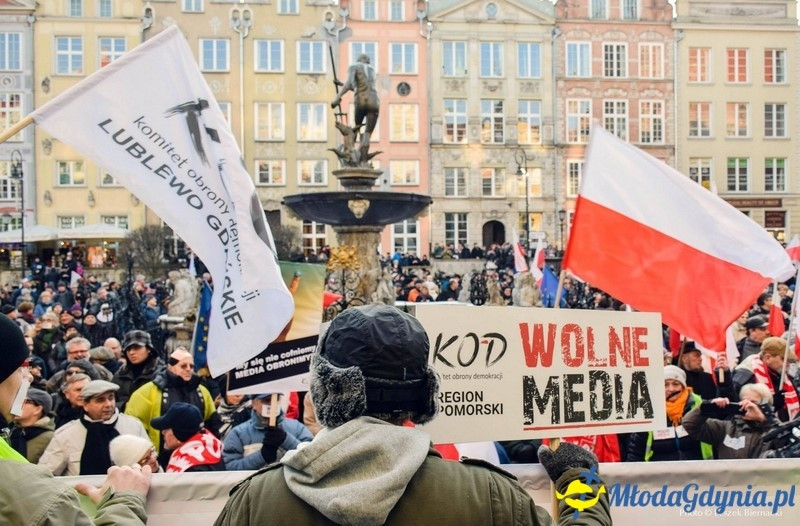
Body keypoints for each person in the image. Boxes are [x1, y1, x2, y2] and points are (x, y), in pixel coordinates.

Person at [214, 305, 610, 525]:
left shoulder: (257, 501)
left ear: (323, 390)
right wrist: (579, 480)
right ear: (426, 393)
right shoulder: (484, 495)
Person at [0, 313, 151, 525]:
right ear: (83, 402)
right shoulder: (31, 486)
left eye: (110, 398)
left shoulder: (131, 425)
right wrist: (125, 501)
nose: (30, 376)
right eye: (21, 366)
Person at [38, 380, 150, 476]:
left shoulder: (133, 426)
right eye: (100, 400)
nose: (108, 404)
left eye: (111, 398)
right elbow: (46, 474)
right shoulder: (66, 434)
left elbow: (152, 464)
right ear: (85, 405)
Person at [125, 348, 221, 455]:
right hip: (158, 459)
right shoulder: (146, 393)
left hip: (196, 457)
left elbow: (213, 426)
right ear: (171, 367)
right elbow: (132, 429)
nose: (188, 369)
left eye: (191, 366)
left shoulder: (203, 392)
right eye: (183, 366)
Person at [626, 365, 712, 462]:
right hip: (660, 475)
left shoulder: (699, 406)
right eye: (665, 385)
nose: (671, 389)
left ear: (683, 386)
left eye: (676, 384)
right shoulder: (647, 411)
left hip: (698, 473)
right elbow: (636, 451)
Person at [683, 384, 780, 459]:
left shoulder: (774, 428)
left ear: (765, 406)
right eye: (744, 401)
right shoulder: (726, 428)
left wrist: (763, 419)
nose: (747, 405)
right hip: (731, 483)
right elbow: (689, 424)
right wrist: (707, 406)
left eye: (753, 402)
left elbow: (786, 443)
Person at [222, 392, 313, 470]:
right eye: (266, 400)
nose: (272, 405)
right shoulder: (238, 433)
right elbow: (230, 468)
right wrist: (261, 456)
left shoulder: (297, 427)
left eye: (276, 399)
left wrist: (286, 440)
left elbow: (313, 457)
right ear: (254, 404)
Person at [732, 336, 799, 422]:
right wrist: (771, 403)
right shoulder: (746, 376)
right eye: (783, 359)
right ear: (767, 358)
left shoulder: (783, 375)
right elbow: (740, 410)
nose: (788, 363)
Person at [331, 53, 380, 161]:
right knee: (368, 133)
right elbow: (363, 86)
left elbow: (350, 83)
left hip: (361, 100)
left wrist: (337, 97)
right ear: (367, 61)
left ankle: (351, 156)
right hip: (375, 101)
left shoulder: (354, 66)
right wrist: (340, 83)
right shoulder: (372, 71)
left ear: (358, 59)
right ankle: (363, 160)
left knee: (356, 128)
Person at [151, 402, 224, 472]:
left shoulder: (189, 469)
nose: (163, 432)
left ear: (179, 435)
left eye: (166, 429)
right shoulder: (211, 449)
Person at [112, 330, 165, 408]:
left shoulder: (161, 373)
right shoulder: (121, 374)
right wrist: (123, 406)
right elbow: (110, 401)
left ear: (148, 349)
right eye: (128, 349)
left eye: (136, 348)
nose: (131, 352)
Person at [8, 388, 55, 463]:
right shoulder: (10, 431)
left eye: (24, 401)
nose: (16, 405)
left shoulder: (50, 438)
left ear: (38, 409)